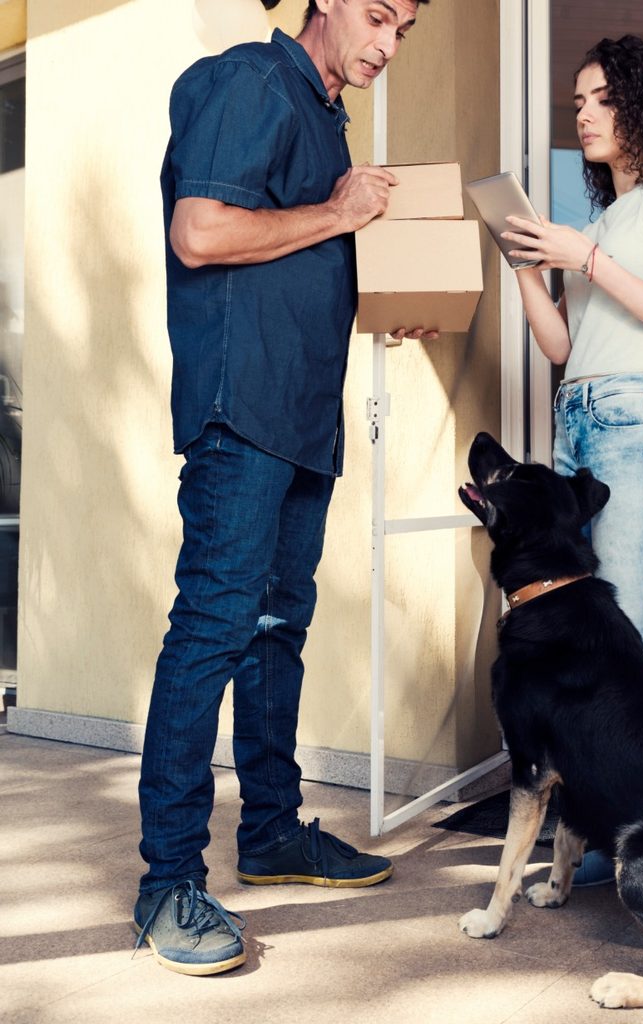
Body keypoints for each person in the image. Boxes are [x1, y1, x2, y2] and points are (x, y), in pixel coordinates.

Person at [135, 0, 431, 976]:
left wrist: (394, 298)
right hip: (242, 406)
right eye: (381, 16)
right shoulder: (250, 81)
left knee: (277, 629)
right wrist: (344, 213)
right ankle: (168, 881)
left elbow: (289, 261)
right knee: (217, 619)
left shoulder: (326, 116)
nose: (388, 43)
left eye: (406, 30)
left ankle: (271, 830)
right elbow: (202, 232)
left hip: (304, 415)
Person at [501, 34, 643, 883]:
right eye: (578, 103)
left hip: (640, 416)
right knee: (600, 649)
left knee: (632, 643)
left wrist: (586, 259)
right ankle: (629, 827)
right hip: (583, 420)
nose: (585, 113)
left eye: (601, 97)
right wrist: (528, 268)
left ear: (642, 102)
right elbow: (564, 342)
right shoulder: (601, 219)